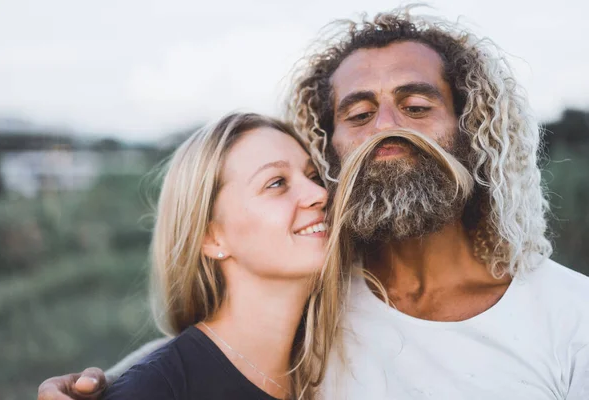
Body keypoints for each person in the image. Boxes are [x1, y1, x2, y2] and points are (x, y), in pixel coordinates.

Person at [38, 7, 589, 400]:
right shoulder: (316, 296)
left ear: (469, 129)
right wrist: (108, 386)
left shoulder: (570, 317)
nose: (387, 128)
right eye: (358, 114)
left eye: (417, 105)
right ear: (330, 148)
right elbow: (210, 353)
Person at [91, 112, 337, 400]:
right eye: (276, 183)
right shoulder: (155, 391)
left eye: (313, 176)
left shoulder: (333, 370)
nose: (320, 193)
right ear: (211, 237)